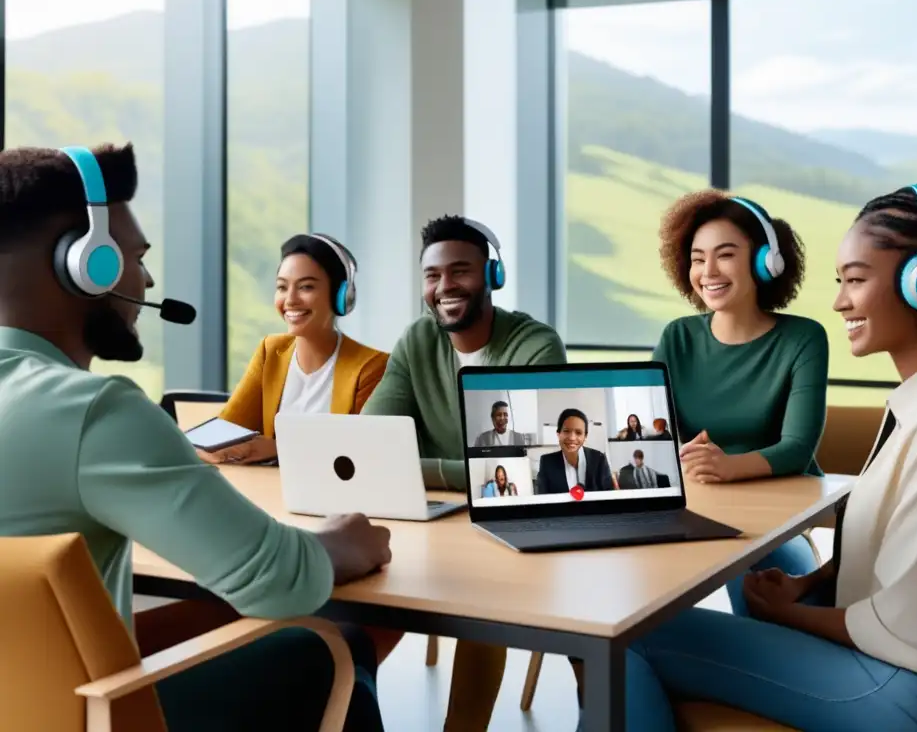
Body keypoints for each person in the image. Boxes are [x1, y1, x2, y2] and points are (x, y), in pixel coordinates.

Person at [597, 184, 917, 732]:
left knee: (625, 642)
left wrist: (791, 614)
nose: (840, 301)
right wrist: (807, 583)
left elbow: (907, 627)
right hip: (889, 671)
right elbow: (909, 559)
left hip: (892, 689)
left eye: (855, 280)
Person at [0, 144, 392, 731]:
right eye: (134, 256)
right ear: (86, 263)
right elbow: (280, 580)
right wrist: (343, 540)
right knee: (327, 647)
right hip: (87, 718)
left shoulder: (365, 363)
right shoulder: (93, 411)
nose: (147, 279)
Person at [361, 214, 566, 732]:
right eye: (432, 275)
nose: (445, 287)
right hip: (439, 522)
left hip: (523, 522)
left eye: (460, 271)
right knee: (354, 590)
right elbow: (370, 444)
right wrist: (460, 473)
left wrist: (419, 469)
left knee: (484, 595)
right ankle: (341, 707)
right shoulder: (417, 341)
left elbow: (518, 469)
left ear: (492, 276)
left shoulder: (536, 346)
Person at [654, 189, 829, 615]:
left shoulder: (803, 338)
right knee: (631, 597)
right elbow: (650, 436)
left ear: (765, 261)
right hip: (689, 511)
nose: (708, 271)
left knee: (764, 598)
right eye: (697, 258)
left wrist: (728, 466)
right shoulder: (678, 337)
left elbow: (796, 449)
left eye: (725, 255)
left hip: (770, 522)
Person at [207, 233, 388, 465]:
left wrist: (278, 448)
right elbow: (228, 431)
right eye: (282, 287)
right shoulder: (270, 351)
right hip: (267, 491)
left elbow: (360, 452)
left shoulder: (372, 367)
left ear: (341, 295)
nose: (290, 299)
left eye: (306, 287)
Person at [536, 409, 615, 494]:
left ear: (585, 436)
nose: (572, 438)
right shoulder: (547, 462)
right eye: (566, 431)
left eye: (578, 433)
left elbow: (609, 497)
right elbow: (543, 499)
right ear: (558, 434)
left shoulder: (599, 459)